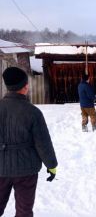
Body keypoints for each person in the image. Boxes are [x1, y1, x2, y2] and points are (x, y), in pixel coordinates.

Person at [0, 67, 58, 217]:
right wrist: (52, 166)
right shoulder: (33, 112)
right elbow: (43, 143)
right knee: (24, 211)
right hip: (26, 170)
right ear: (25, 86)